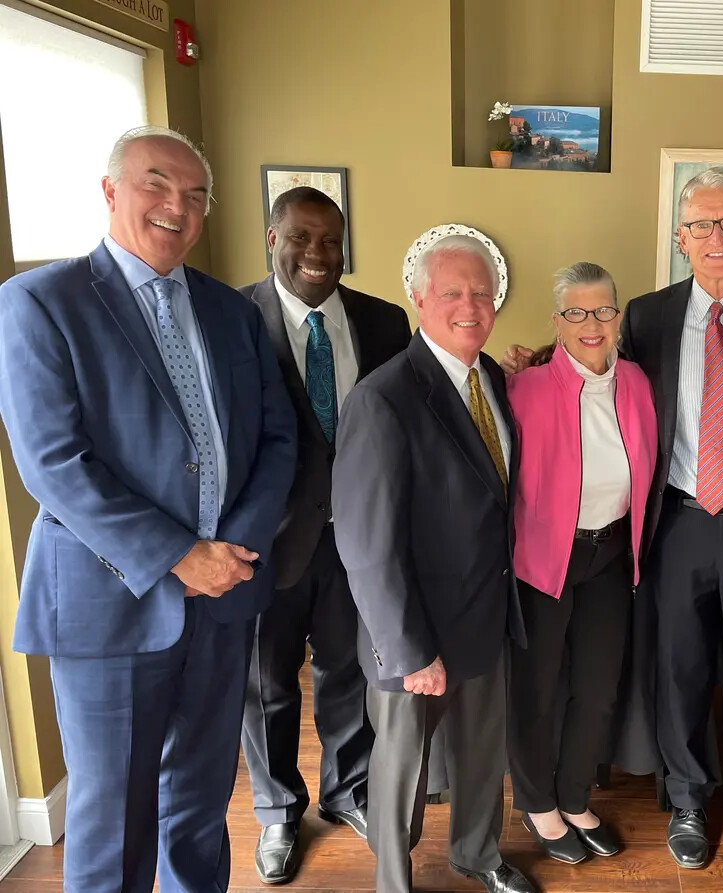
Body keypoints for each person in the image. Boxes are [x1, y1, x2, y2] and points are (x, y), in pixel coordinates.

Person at [0, 126, 297, 892]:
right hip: (110, 603)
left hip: (224, 599)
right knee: (114, 814)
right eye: (157, 184)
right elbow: (54, 464)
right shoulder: (40, 302)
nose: (178, 206)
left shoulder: (232, 311)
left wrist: (231, 550)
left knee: (200, 802)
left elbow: (276, 438)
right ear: (110, 191)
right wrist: (178, 555)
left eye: (195, 196)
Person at [504, 166, 723, 869]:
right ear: (680, 237)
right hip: (676, 517)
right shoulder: (647, 314)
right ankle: (690, 794)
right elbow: (600, 375)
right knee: (681, 662)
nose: (717, 236)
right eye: (701, 224)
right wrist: (539, 361)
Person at [332, 235, 535, 893]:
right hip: (415, 631)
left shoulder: (494, 380)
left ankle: (477, 852)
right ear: (419, 298)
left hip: (485, 615)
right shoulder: (383, 397)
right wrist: (407, 648)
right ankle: (395, 880)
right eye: (453, 292)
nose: (471, 305)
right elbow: (366, 543)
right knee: (400, 769)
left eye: (482, 292)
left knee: (482, 756)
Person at [239, 186, 413, 883]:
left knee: (346, 672)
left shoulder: (383, 321)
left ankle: (349, 789)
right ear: (272, 238)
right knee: (269, 684)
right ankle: (279, 808)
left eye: (331, 240)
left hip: (358, 542)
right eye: (301, 237)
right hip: (270, 540)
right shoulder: (234, 318)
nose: (317, 253)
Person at [505, 262, 658, 864]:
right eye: (575, 312)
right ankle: (537, 802)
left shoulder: (639, 382)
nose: (590, 324)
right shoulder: (525, 388)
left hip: (612, 553)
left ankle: (573, 796)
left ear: (618, 316)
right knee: (538, 688)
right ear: (557, 320)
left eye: (602, 311)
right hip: (545, 558)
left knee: (597, 689)